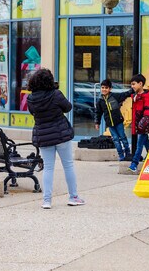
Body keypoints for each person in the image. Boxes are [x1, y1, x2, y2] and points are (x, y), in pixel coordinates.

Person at [26, 68, 85, 209]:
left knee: (48, 168)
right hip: (61, 135)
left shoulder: (31, 98)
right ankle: (73, 197)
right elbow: (68, 107)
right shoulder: (56, 94)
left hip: (44, 136)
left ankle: (46, 201)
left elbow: (33, 112)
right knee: (68, 165)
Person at [94, 79, 133, 161]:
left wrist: (133, 90)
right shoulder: (100, 101)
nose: (104, 89)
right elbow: (98, 112)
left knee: (123, 137)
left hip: (118, 122)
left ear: (110, 89)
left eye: (106, 88)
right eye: (102, 87)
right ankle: (121, 155)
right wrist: (97, 122)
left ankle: (128, 153)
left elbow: (125, 94)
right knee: (115, 139)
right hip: (110, 124)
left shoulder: (115, 96)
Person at [128, 74, 149, 172]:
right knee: (146, 142)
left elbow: (148, 112)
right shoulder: (136, 97)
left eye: (134, 84)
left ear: (140, 84)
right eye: (131, 84)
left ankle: (134, 164)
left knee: (139, 145)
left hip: (143, 126)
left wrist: (141, 124)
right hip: (139, 125)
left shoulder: (146, 97)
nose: (132, 86)